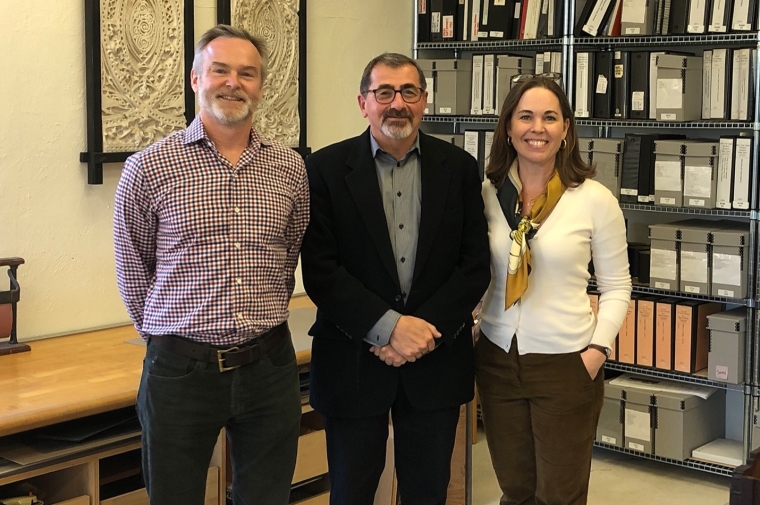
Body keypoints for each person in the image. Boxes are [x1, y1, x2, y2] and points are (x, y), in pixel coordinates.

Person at [113, 24, 309, 505]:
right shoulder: (149, 167)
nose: (233, 82)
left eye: (247, 73)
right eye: (220, 69)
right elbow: (132, 269)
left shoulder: (290, 168)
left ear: (261, 86)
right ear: (196, 79)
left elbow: (288, 257)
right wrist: (170, 337)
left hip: (270, 366)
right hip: (181, 371)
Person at [300, 53, 491, 505]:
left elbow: (474, 266)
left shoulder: (460, 168)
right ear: (362, 103)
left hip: (436, 360)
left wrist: (419, 333)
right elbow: (322, 271)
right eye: (383, 92)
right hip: (353, 360)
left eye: (408, 92)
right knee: (351, 492)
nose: (396, 103)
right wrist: (390, 329)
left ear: (424, 101)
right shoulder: (324, 169)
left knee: (428, 492)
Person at [475, 76, 632, 505]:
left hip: (567, 362)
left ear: (566, 129)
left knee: (558, 495)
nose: (536, 128)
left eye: (549, 117)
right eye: (525, 116)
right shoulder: (489, 193)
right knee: (516, 489)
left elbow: (618, 285)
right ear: (508, 127)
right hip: (497, 360)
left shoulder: (594, 199)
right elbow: (475, 269)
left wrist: (597, 351)